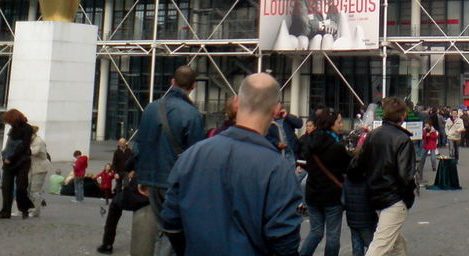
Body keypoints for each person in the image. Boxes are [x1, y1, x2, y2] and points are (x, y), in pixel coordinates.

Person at [160, 73, 302, 256]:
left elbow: (171, 219)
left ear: (236, 102)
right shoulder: (278, 168)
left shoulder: (193, 154)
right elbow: (285, 241)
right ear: (276, 110)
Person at [135, 65, 205, 255]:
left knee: (163, 227)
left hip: (152, 180)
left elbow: (140, 144)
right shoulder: (193, 115)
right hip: (176, 182)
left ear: (172, 82)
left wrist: (142, 176)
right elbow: (196, 156)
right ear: (194, 86)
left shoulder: (151, 108)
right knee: (173, 232)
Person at [352, 97, 416, 256]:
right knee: (380, 244)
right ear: (402, 115)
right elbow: (406, 176)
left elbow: (357, 165)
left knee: (395, 242)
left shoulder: (373, 135)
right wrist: (408, 198)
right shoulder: (403, 140)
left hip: (375, 194)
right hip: (394, 197)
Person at [299, 109, 350, 256]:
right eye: (339, 122)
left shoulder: (310, 140)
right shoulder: (336, 146)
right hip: (331, 195)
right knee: (332, 235)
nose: (341, 125)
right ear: (331, 124)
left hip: (313, 192)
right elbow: (346, 167)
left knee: (316, 232)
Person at [0, 109, 34, 219]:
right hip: (9, 161)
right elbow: (9, 145)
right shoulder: (13, 128)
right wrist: (5, 156)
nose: (9, 124)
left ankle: (24, 208)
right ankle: (5, 211)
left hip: (22, 161)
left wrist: (11, 157)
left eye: (9, 121)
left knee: (21, 187)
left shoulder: (28, 128)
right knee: (6, 187)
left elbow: (24, 146)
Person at [28, 125, 51, 217]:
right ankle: (31, 208)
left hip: (40, 168)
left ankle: (36, 211)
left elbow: (34, 152)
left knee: (35, 190)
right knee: (30, 189)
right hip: (33, 167)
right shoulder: (32, 141)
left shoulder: (38, 141)